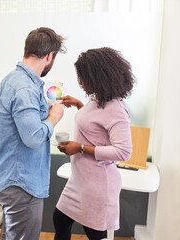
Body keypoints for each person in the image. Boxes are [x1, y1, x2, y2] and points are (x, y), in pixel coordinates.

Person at [0, 27, 66, 240]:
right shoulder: (25, 89)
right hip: (21, 183)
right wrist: (54, 117)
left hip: (11, 180)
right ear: (50, 56)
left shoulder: (12, 80)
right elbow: (33, 137)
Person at [53, 47, 135, 240]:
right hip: (80, 179)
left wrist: (80, 148)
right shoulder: (98, 99)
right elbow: (98, 126)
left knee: (95, 234)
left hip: (98, 184)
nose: (81, 83)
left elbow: (123, 152)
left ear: (97, 77)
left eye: (83, 78)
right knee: (60, 219)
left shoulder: (116, 109)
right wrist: (80, 106)